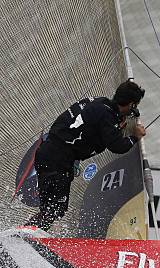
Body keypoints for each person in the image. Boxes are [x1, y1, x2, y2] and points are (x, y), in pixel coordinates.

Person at [26, 80, 147, 231]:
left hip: (48, 154)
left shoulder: (99, 102)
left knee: (51, 209)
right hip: (57, 162)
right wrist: (135, 136)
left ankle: (25, 235)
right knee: (54, 210)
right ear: (130, 105)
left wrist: (115, 126)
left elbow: (92, 126)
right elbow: (118, 147)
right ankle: (21, 238)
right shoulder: (107, 117)